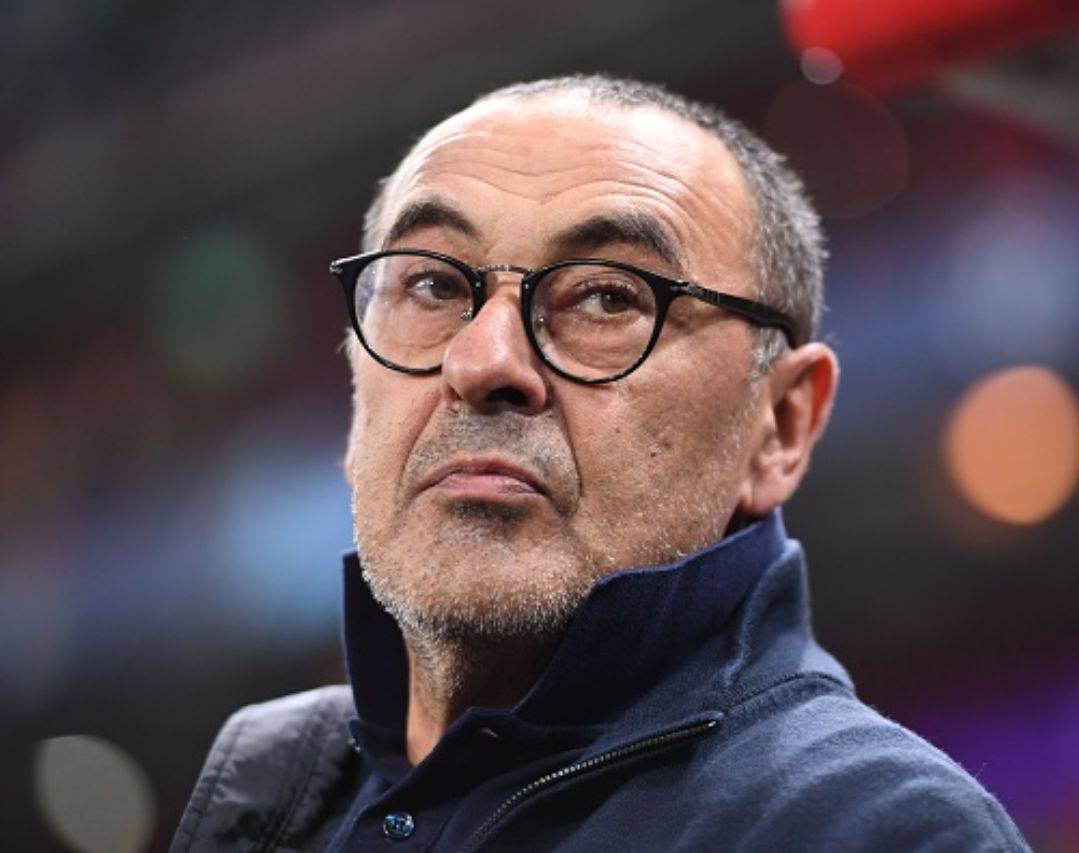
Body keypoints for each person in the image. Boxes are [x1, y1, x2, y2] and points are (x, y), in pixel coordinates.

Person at [174, 74, 1029, 852]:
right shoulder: (277, 796)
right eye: (432, 285)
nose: (483, 361)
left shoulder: (874, 829)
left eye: (608, 296)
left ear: (780, 424)